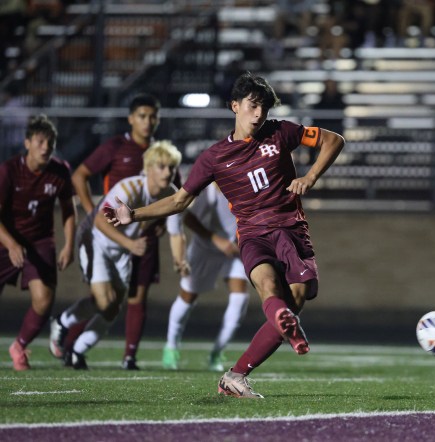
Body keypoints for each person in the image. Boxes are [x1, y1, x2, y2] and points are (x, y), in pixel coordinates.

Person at [104, 72, 345, 398]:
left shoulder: (281, 131)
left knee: (298, 298)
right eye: (253, 106)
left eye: (264, 108)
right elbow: (179, 201)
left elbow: (334, 140)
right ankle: (254, 358)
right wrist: (132, 214)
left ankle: (237, 372)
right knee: (268, 288)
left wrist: (311, 176)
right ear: (235, 106)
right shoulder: (214, 157)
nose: (259, 114)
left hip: (291, 229)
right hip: (253, 236)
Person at [49, 141, 187, 370]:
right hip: (96, 240)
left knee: (112, 307)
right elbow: (100, 221)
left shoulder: (171, 194)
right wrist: (131, 244)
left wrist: (179, 260)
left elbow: (176, 233)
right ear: (149, 167)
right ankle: (63, 321)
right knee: (104, 300)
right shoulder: (130, 188)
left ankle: (77, 350)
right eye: (162, 166)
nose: (167, 172)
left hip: (122, 249)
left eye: (171, 167)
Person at [68, 93, 179, 370]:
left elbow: (175, 201)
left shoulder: (164, 156)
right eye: (142, 115)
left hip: (144, 236)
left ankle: (129, 356)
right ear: (130, 118)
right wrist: (91, 210)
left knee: (136, 296)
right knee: (103, 299)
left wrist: (164, 227)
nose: (148, 121)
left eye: (153, 116)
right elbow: (79, 175)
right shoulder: (117, 147)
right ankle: (68, 343)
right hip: (111, 234)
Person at [0, 114, 76, 371]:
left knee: (44, 298)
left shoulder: (60, 171)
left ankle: (19, 346)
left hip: (41, 240)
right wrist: (10, 244)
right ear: (27, 143)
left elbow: (68, 209)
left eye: (50, 142)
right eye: (41, 141)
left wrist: (68, 244)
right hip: (5, 238)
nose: (46, 147)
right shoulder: (9, 170)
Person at [162, 183, 249, 372]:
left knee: (240, 298)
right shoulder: (205, 189)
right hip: (205, 247)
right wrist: (217, 240)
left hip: (234, 248)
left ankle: (217, 352)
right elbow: (187, 217)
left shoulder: (244, 181)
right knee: (187, 296)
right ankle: (171, 347)